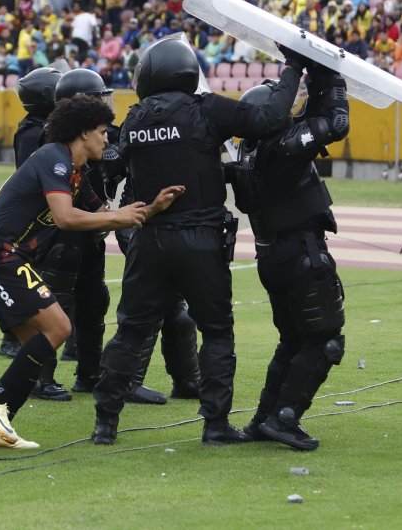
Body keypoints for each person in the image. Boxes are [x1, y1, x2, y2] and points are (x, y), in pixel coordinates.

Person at [91, 34, 302, 447]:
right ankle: (215, 424)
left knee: (131, 332)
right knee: (217, 331)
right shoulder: (207, 110)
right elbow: (269, 119)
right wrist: (293, 69)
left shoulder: (135, 119)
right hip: (202, 240)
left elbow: (112, 168)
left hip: (149, 239)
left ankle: (105, 423)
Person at [0, 94, 183, 449]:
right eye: (101, 131)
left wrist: (154, 208)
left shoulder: (76, 173)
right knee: (60, 328)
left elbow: (102, 221)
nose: (107, 138)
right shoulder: (54, 159)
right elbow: (67, 218)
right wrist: (119, 216)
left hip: (9, 258)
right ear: (83, 132)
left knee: (35, 345)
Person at [228, 61, 351, 451]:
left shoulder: (247, 154)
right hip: (301, 255)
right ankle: (286, 417)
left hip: (272, 256)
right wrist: (331, 81)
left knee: (293, 341)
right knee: (324, 340)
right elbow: (334, 123)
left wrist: (312, 81)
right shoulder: (282, 149)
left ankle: (264, 418)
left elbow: (311, 122)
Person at [42, 68, 184, 405]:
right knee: (53, 308)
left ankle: (89, 375)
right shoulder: (52, 141)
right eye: (98, 97)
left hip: (90, 232)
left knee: (94, 303)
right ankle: (41, 378)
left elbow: (114, 160)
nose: (107, 103)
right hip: (61, 236)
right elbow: (77, 186)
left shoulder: (105, 136)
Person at [0, 65, 63, 360]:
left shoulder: (32, 126)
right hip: (34, 215)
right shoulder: (34, 132)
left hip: (37, 211)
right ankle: (13, 337)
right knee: (30, 278)